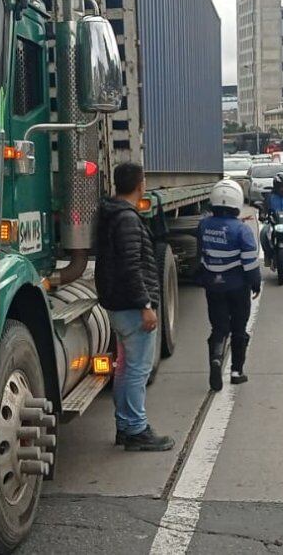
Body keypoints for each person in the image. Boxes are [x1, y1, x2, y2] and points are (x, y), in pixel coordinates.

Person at [95, 162, 174, 452]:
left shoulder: (114, 213)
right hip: (131, 306)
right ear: (140, 185)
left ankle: (127, 426)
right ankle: (135, 429)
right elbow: (131, 267)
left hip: (119, 304)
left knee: (126, 368)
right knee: (136, 370)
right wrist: (145, 304)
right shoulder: (127, 219)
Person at [198, 180, 261, 391]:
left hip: (213, 287)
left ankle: (216, 359)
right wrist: (256, 284)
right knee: (238, 329)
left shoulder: (204, 225)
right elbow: (250, 262)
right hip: (237, 287)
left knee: (219, 327)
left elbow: (201, 254)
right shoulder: (242, 230)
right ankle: (236, 372)